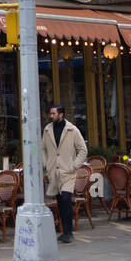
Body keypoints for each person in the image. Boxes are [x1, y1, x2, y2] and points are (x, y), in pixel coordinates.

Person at [42, 103, 87, 243]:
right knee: (60, 202)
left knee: (66, 199)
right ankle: (64, 231)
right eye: (50, 113)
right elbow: (42, 148)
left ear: (61, 115)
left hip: (67, 172)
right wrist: (46, 163)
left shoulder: (72, 130)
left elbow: (83, 149)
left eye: (54, 113)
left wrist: (74, 166)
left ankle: (68, 231)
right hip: (53, 172)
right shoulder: (47, 130)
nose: (51, 116)